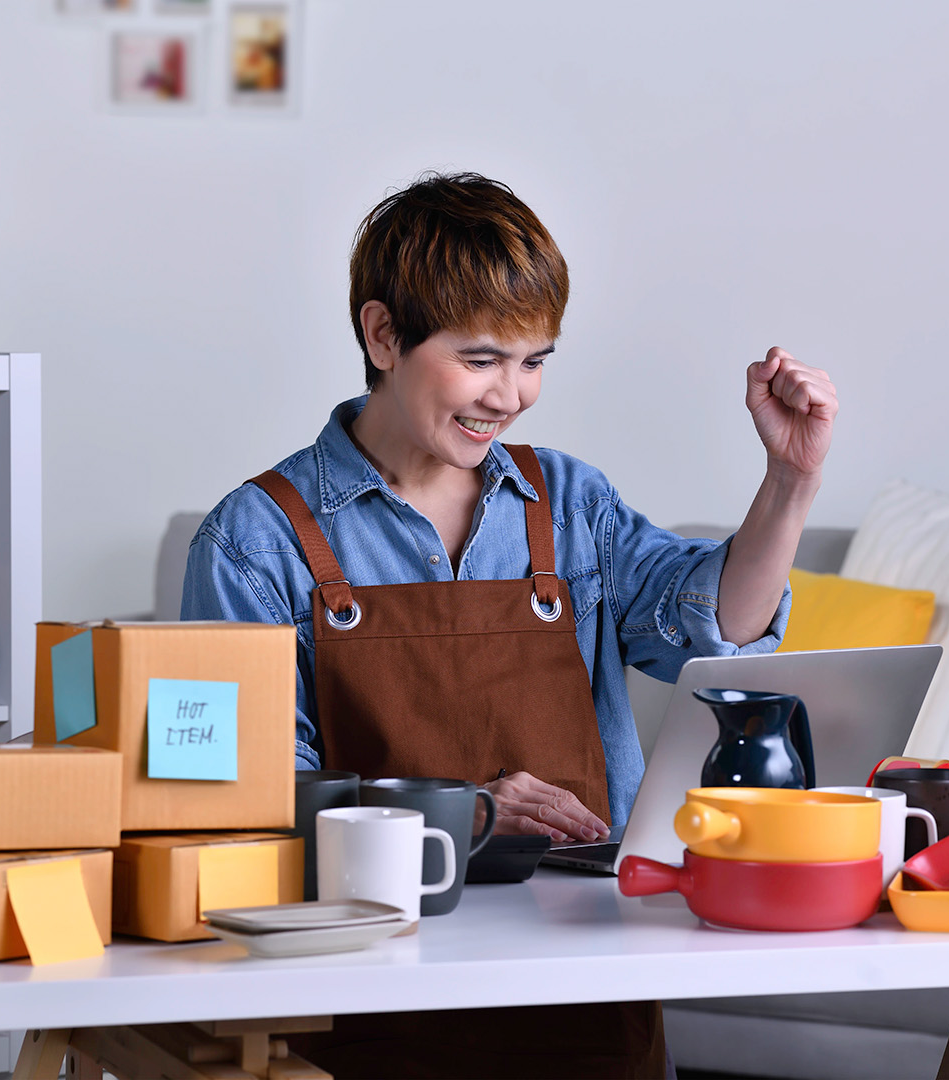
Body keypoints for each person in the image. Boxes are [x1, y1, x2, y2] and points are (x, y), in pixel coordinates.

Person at [181, 172, 837, 1079]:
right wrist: (471, 810)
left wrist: (791, 482)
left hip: (584, 979)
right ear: (382, 335)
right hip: (368, 989)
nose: (512, 395)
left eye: (535, 361)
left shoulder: (567, 502)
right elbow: (251, 796)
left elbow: (707, 631)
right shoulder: (255, 540)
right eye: (482, 358)